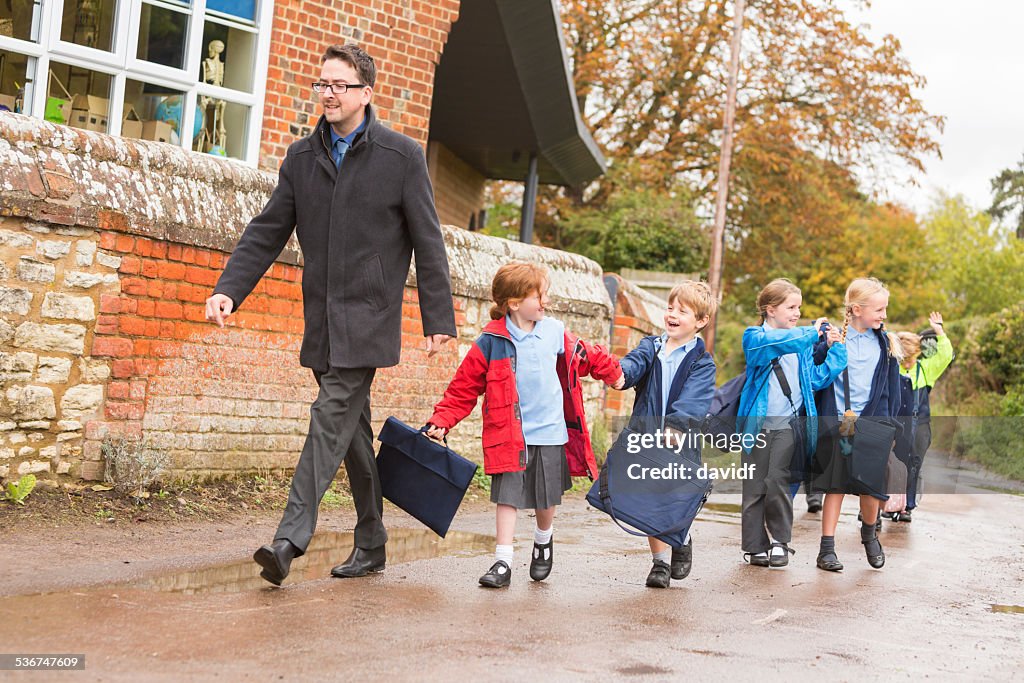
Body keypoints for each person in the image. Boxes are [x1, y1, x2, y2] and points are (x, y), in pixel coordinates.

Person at [205, 44, 456, 586]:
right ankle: (372, 540)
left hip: (370, 315)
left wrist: (438, 318)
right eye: (322, 84)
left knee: (328, 417)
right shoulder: (301, 157)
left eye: (340, 85)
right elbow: (268, 230)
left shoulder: (401, 156)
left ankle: (289, 539)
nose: (329, 94)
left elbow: (428, 242)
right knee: (352, 433)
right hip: (321, 316)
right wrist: (230, 289)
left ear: (366, 93)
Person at [425, 261, 623, 588]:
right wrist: (442, 420)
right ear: (514, 303)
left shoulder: (555, 331)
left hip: (549, 432)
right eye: (539, 296)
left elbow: (585, 356)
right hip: (508, 435)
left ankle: (543, 539)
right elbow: (463, 387)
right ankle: (502, 561)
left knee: (545, 498)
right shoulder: (490, 342)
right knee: (508, 497)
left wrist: (614, 373)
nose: (545, 302)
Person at [736, 279, 845, 568]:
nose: (797, 312)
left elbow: (815, 379)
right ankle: (754, 546)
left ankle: (780, 543)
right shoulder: (754, 337)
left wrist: (836, 349)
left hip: (788, 425)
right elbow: (779, 343)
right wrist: (813, 332)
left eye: (799, 307)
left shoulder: (801, 343)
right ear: (770, 309)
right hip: (756, 427)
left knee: (777, 481)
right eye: (791, 307)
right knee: (754, 487)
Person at [617, 281, 717, 588]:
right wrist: (619, 375)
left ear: (700, 321)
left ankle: (682, 537)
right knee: (650, 499)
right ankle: (659, 563)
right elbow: (634, 365)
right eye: (670, 308)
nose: (672, 314)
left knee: (674, 499)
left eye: (682, 311)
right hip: (646, 436)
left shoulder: (702, 362)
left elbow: (695, 398)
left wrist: (677, 426)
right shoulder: (652, 347)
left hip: (680, 442)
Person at [811, 277, 902, 572]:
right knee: (834, 484)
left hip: (873, 423)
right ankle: (826, 549)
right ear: (856, 309)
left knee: (870, 487)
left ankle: (869, 535)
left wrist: (892, 429)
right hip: (839, 422)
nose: (884, 315)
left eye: (885, 309)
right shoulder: (836, 338)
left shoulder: (885, 343)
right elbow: (816, 373)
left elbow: (892, 391)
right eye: (879, 309)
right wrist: (823, 344)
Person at [891, 312, 954, 521]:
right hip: (895, 422)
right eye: (904, 357)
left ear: (917, 353)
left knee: (914, 463)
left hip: (920, 424)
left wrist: (939, 332)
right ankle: (885, 504)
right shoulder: (892, 368)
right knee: (889, 462)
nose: (907, 362)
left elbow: (945, 356)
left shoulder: (925, 369)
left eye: (910, 356)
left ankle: (906, 506)